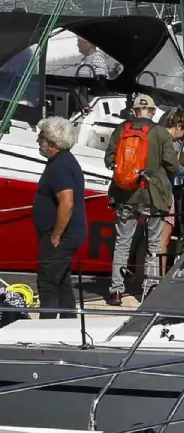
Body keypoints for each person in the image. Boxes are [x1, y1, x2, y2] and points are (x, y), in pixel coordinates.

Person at [104, 94, 179, 306]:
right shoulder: (160, 133)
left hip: (124, 194)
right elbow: (172, 166)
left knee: (122, 243)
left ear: (134, 111)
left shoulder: (121, 130)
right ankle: (149, 291)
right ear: (153, 112)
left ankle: (116, 292)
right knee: (153, 244)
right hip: (154, 196)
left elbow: (109, 159)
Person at [33, 116, 86, 315]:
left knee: (47, 281)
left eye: (42, 138)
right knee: (61, 281)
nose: (39, 141)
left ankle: (48, 330)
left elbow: (67, 202)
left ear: (52, 142)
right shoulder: (65, 161)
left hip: (61, 236)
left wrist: (56, 234)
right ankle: (68, 323)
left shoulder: (59, 166)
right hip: (67, 234)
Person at [156, 109, 184, 274]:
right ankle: (159, 279)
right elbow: (175, 168)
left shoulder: (154, 136)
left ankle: (143, 280)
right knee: (163, 241)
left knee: (149, 240)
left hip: (149, 194)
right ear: (178, 127)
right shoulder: (168, 141)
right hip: (164, 194)